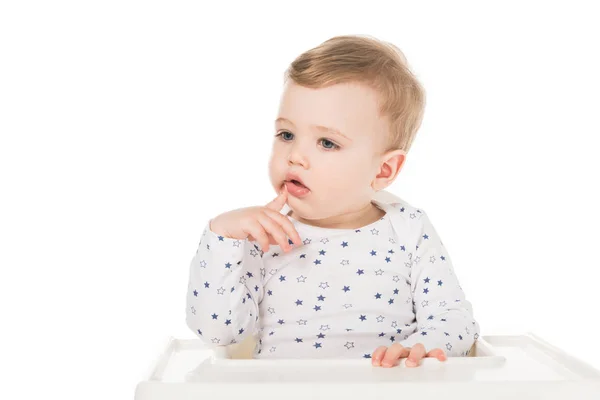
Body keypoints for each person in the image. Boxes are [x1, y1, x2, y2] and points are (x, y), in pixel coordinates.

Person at [186, 34, 480, 368]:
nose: (295, 155)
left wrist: (424, 347)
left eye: (326, 143)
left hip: (388, 389)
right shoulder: (262, 234)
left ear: (383, 170)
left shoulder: (408, 228)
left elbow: (454, 319)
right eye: (286, 135)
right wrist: (222, 236)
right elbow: (218, 333)